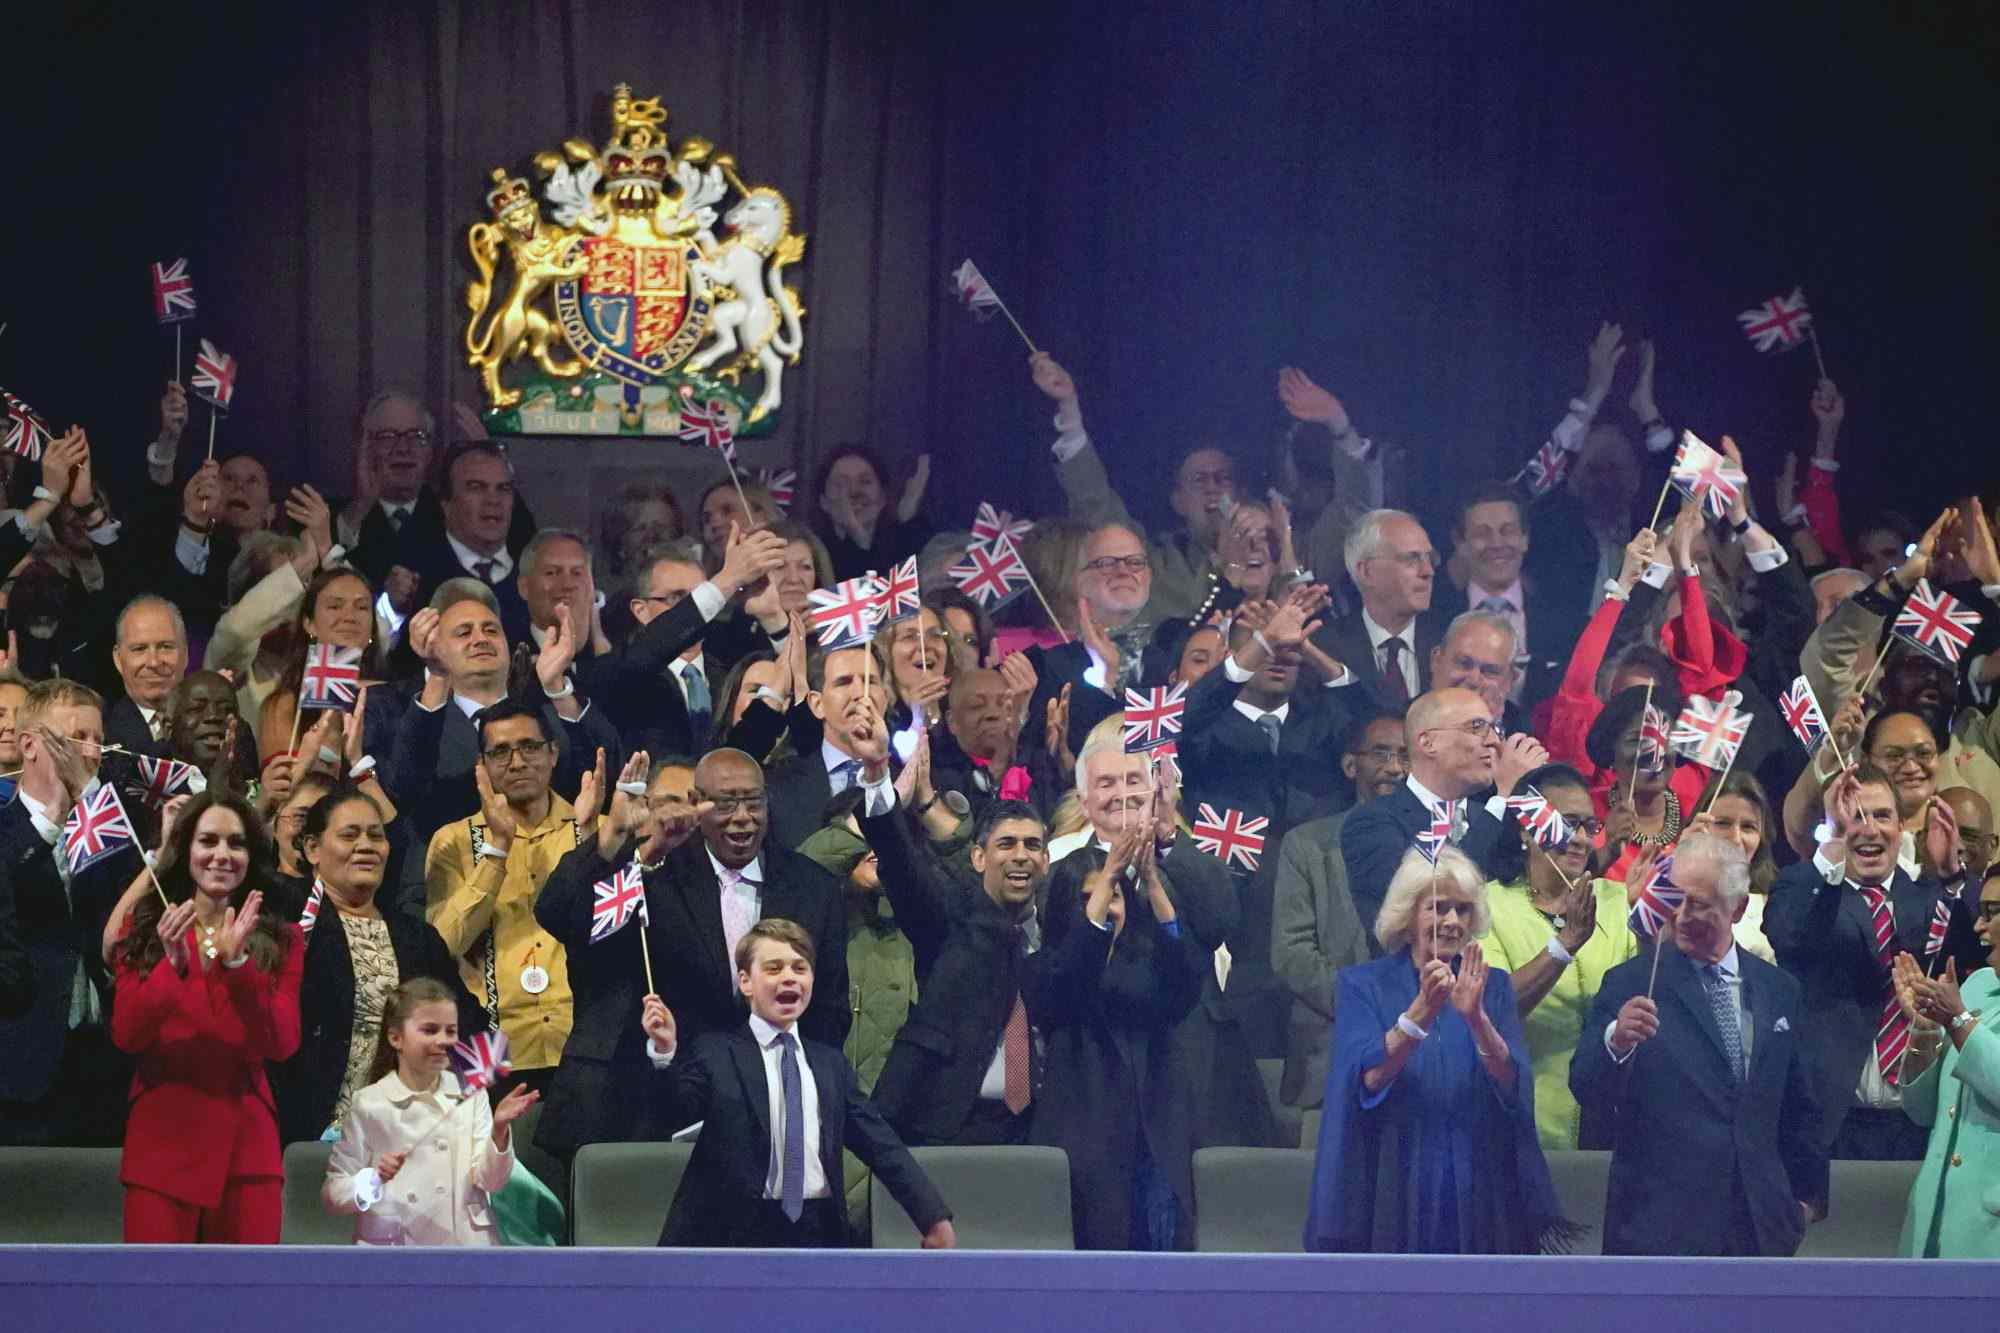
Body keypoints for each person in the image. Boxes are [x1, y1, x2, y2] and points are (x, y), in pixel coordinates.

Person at [537, 747, 850, 1151]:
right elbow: (562, 917)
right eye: (724, 804)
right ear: (697, 804)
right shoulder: (655, 870)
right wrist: (613, 836)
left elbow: (829, 1009)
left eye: (753, 801)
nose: (742, 816)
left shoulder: (814, 887)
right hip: (653, 1112)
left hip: (771, 1113)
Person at [1571, 832, 1826, 1256]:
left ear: (1738, 907)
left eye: (1700, 903)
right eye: (1675, 898)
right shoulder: (1632, 983)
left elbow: (1799, 1106)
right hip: (1659, 1228)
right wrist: (1615, 1041)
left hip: (1760, 1227)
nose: (1682, 914)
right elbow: (1586, 1087)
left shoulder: (1779, 989)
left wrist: (1805, 1202)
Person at [1304, 847, 1561, 1254]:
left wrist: (1477, 1018)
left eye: (1462, 910)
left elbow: (1513, 1082)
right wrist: (1418, 1015)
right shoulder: (1363, 986)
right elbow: (1366, 1079)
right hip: (1393, 1173)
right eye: (1438, 908)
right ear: (1408, 916)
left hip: (1478, 1174)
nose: (1452, 922)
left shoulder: (1490, 987)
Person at [640, 918, 955, 1248]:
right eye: (774, 968)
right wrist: (664, 1054)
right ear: (746, 982)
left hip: (818, 1232)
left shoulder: (830, 1065)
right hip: (732, 1236)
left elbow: (881, 1145)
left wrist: (932, 1216)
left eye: (799, 968)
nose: (789, 977)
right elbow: (673, 1111)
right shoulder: (715, 1053)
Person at [1763, 766, 1981, 1189]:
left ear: (1902, 827)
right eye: (1854, 815)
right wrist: (1832, 842)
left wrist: (1954, 874)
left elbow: (1981, 948)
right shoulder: (1803, 888)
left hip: (1919, 1123)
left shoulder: (1930, 898)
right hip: (1828, 1125)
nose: (1868, 829)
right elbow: (1789, 934)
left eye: (1881, 816)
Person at [111, 792, 302, 1242]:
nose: (222, 854)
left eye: (235, 843)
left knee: (246, 1305)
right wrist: (172, 966)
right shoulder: (144, 929)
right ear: (187, 851)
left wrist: (238, 968)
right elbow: (127, 1034)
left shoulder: (282, 937)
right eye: (208, 841)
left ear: (251, 854)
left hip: (247, 1152)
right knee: (155, 1302)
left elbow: (282, 1043)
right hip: (161, 1146)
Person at [1030, 803, 1211, 1250]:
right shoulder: (1043, 968)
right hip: (1085, 1148)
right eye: (1093, 895)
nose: (1109, 908)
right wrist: (1110, 871)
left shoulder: (1148, 965)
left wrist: (1150, 882)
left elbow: (1187, 983)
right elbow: (1073, 977)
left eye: (1114, 896)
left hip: (1157, 1143)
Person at [271, 785, 480, 1145]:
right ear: (312, 849)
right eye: (349, 835)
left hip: (407, 1142)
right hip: (306, 1140)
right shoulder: (286, 921)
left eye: (375, 835)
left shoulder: (417, 938)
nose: (366, 846)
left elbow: (472, 1029)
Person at [0, 680, 145, 1147]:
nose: (92, 750)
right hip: (22, 1058)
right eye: (77, 736)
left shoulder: (113, 828)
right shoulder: (5, 827)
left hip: (105, 1059)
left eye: (99, 739)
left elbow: (136, 912)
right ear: (29, 745)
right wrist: (47, 826)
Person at [425, 701, 592, 1092]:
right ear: (481, 766)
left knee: (583, 1154)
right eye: (500, 752)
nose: (516, 762)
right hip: (487, 1045)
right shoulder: (454, 842)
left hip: (580, 1042)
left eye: (530, 747)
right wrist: (497, 851)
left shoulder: (592, 832)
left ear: (553, 753)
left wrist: (590, 845)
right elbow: (442, 946)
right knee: (489, 1153)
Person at [384, 578, 619, 849]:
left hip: (558, 872)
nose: (480, 638)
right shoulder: (424, 722)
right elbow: (406, 789)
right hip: (461, 874)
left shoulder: (547, 715)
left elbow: (608, 772)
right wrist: (438, 676)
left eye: (491, 630)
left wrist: (556, 686)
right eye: (463, 633)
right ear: (437, 648)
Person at [1475, 764, 1635, 1149]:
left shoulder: (1615, 901)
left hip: (1611, 1117)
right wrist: (1564, 945)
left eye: (1589, 827)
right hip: (1522, 1117)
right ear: (1527, 830)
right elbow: (1492, 1008)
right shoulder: (1487, 904)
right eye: (1567, 824)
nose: (1581, 839)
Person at [322, 977, 537, 1246]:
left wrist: (499, 1131)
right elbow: (333, 1193)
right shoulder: (369, 1103)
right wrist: (373, 1179)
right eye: (430, 1030)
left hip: (463, 1248)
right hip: (395, 1251)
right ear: (395, 1037)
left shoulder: (472, 1094)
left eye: (450, 1031)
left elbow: (490, 1181)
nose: (443, 1041)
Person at [1271, 708, 1405, 1107]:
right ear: (1351, 765)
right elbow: (1292, 954)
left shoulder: (1438, 844)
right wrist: (1369, 1007)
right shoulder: (1306, 845)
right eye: (1380, 754)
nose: (1395, 768)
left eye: (1405, 755)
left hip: (1423, 1055)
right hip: (1329, 1058)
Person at [1341, 686, 1545, 937]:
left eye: (1495, 729)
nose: (1493, 741)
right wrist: (1501, 797)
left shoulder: (1497, 817)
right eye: (1477, 727)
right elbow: (1431, 898)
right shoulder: (1372, 822)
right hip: (1418, 973)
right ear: (1428, 742)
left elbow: (1566, 874)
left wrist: (1527, 793)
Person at [1892, 879, 2000, 1257]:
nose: (1979, 927)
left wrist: (1957, 1020)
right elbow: (1922, 1112)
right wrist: (1924, 1030)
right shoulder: (1977, 988)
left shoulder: (1963, 1006)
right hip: (1933, 1222)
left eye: (1994, 911)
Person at [1450, 487, 1583, 713]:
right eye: (1482, 533)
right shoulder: (1436, 619)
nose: (1497, 544)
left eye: (1508, 531)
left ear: (1525, 539)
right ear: (1461, 543)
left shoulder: (1567, 622)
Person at [1309, 510, 1447, 711]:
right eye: (1412, 559)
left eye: (1429, 558)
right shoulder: (1325, 649)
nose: (1428, 572)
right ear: (1367, 572)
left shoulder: (1448, 642)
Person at [765, 645, 896, 852]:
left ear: (885, 699)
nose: (859, 694)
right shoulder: (777, 786)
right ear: (817, 704)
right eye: (843, 682)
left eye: (869, 681)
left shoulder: (910, 779)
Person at [812, 444, 935, 583]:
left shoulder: (912, 547)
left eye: (865, 482)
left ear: (883, 497)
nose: (854, 491)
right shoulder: (812, 557)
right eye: (841, 484)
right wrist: (856, 537)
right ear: (823, 502)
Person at [107, 594, 189, 753]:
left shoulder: (224, 728)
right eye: (139, 649)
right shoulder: (100, 733)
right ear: (118, 659)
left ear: (185, 654)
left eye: (166, 647)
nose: (154, 662)